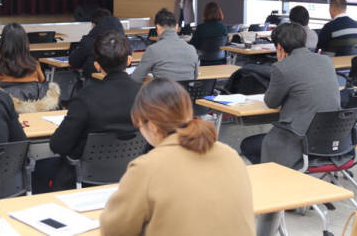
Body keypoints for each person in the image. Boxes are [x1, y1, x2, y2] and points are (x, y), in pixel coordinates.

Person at [101, 79, 255, 236]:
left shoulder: (147, 168)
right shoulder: (230, 155)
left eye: (140, 125)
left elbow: (114, 230)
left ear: (152, 126)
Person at [240, 23, 340, 168]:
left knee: (248, 145)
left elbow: (271, 102)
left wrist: (281, 63)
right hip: (329, 139)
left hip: (298, 140)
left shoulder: (282, 67)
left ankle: (280, 181)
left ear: (279, 47)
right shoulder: (326, 61)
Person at [50, 30, 141, 159]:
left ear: (97, 65)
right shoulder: (145, 95)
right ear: (129, 60)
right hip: (133, 172)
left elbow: (58, 145)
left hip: (88, 175)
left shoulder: (85, 98)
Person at [131, 8, 199, 83]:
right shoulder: (191, 49)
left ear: (158, 27)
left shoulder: (153, 50)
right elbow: (195, 76)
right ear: (176, 27)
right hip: (185, 94)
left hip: (163, 94)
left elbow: (136, 78)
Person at [0, 23, 47, 100]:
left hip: (4, 109)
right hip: (30, 109)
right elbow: (42, 84)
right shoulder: (34, 65)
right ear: (25, 43)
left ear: (3, 43)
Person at [69, 8, 125, 79]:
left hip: (95, 83)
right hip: (119, 80)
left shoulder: (90, 41)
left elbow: (74, 61)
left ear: (93, 25)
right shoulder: (122, 40)